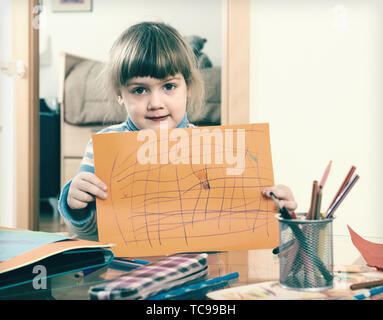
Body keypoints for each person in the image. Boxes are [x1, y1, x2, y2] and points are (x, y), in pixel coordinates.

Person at [58, 22, 297, 241]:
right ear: (120, 94)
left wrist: (277, 210)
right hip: (127, 270)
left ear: (189, 87)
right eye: (140, 90)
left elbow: (239, 227)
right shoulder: (104, 146)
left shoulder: (212, 148)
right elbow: (89, 233)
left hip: (197, 270)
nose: (155, 103)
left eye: (169, 86)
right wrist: (76, 205)